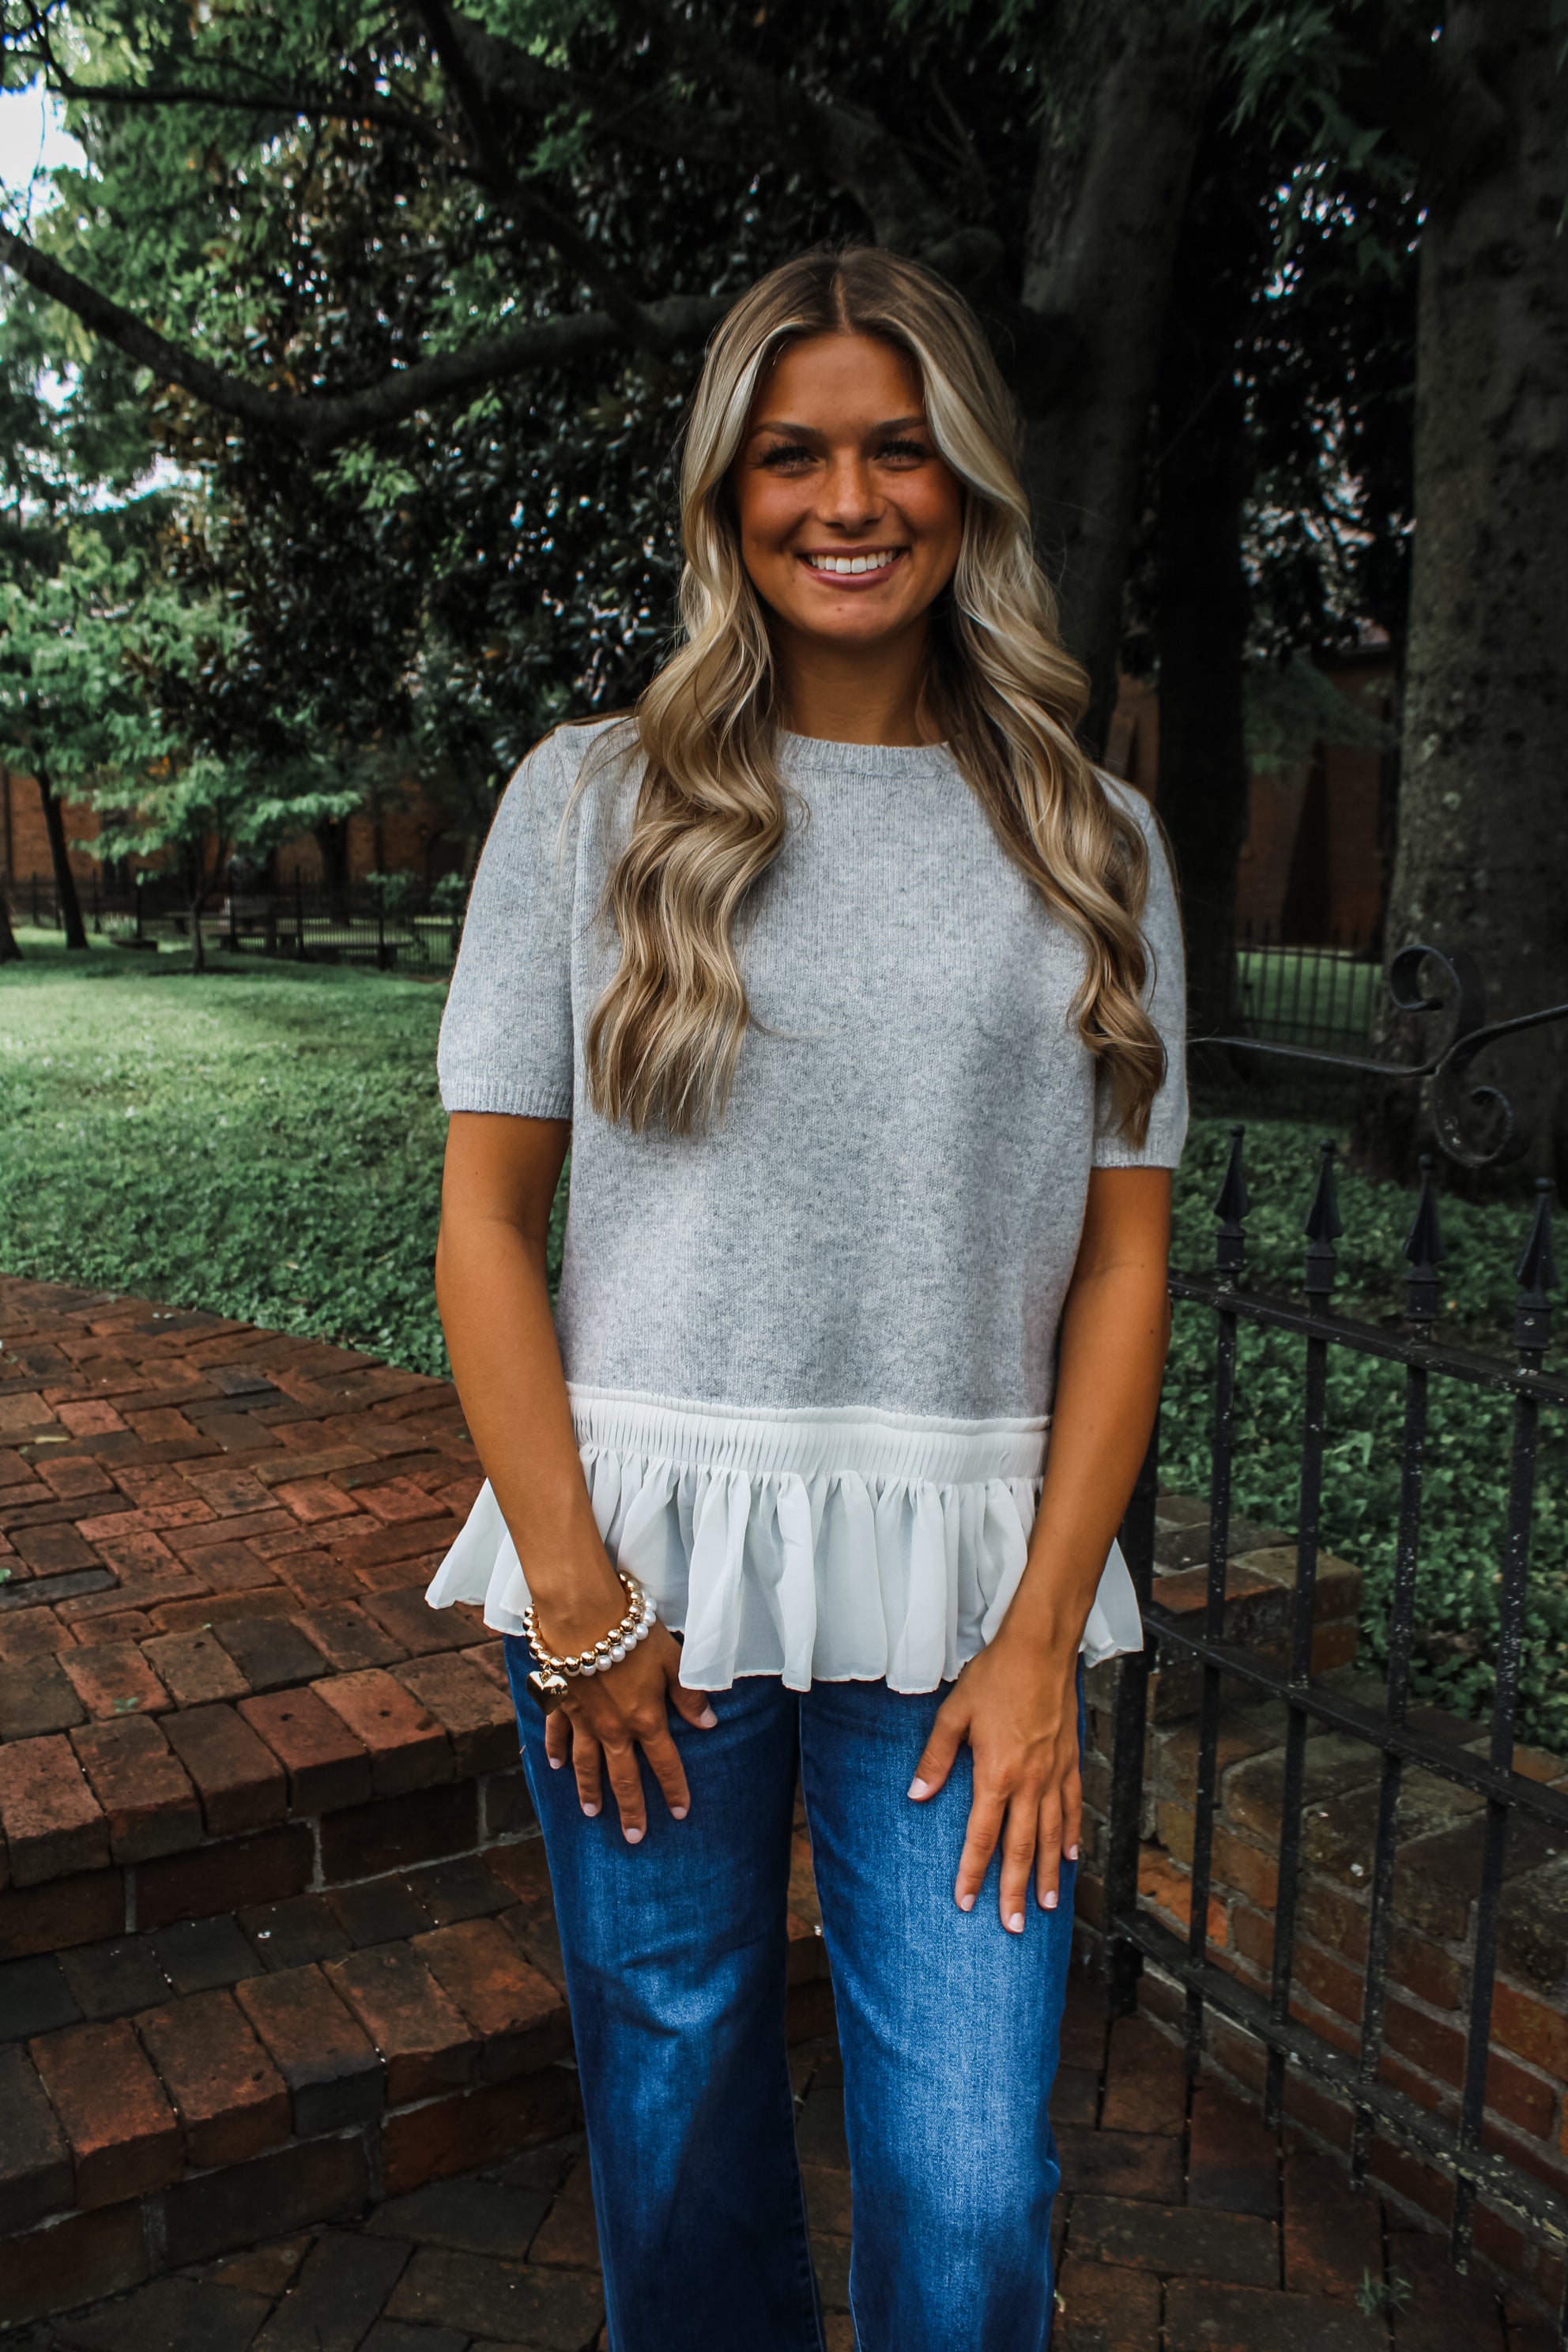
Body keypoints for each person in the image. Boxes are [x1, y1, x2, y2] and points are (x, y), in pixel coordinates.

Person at [427, 245, 1185, 2352]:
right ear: (726, 493)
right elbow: (485, 1224)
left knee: (969, 2184)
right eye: (792, 455)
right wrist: (573, 1593)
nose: (849, 502)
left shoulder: (1095, 837)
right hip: (636, 1573)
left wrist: (1046, 1636)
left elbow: (1127, 1258)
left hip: (971, 1594)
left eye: (899, 449)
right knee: (675, 2118)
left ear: (968, 482)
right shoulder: (588, 803)